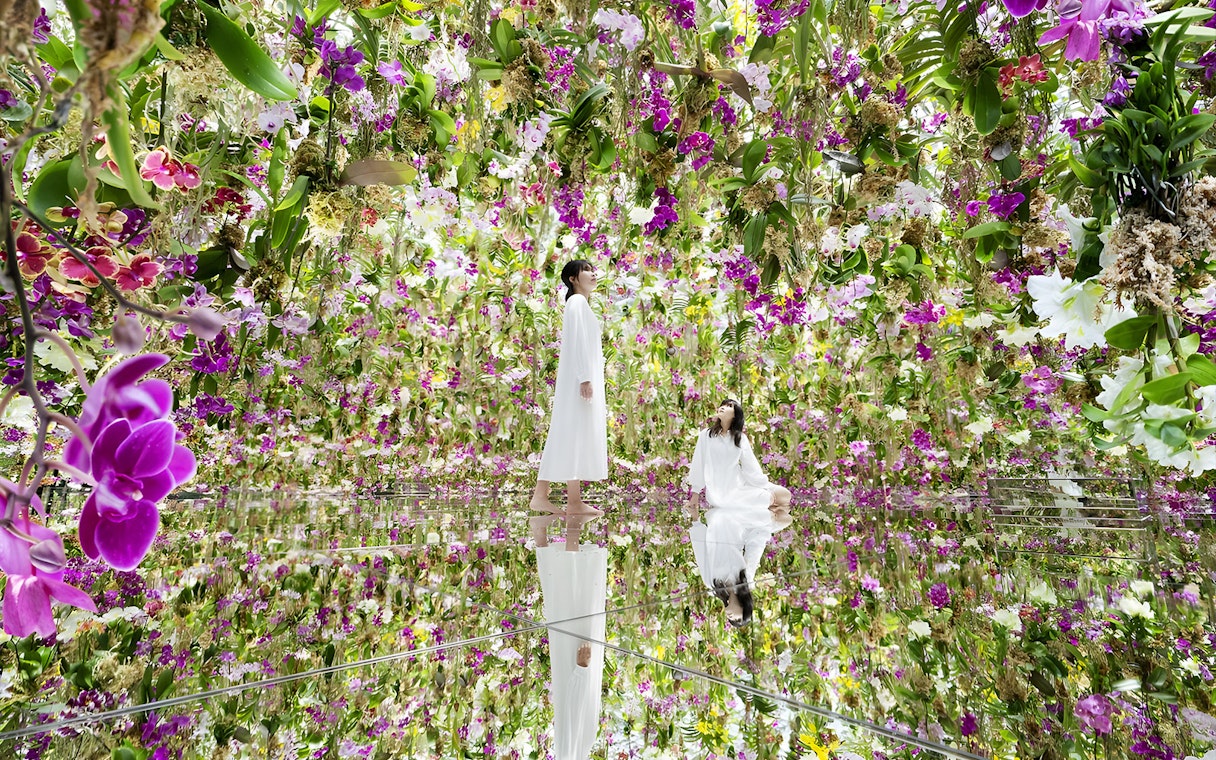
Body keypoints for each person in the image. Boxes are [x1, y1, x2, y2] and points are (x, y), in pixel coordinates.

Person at [684, 399, 792, 626]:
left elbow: (751, 469)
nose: (723, 407)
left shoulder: (713, 585)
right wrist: (694, 494)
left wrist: (762, 485)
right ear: (744, 608)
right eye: (737, 618)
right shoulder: (706, 436)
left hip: (738, 490)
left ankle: (767, 499)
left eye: (729, 406)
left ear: (736, 415)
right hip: (719, 495)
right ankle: (768, 501)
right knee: (783, 500)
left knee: (785, 497)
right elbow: (698, 465)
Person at [530, 260, 607, 516]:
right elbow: (577, 341)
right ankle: (547, 496)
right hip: (578, 380)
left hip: (580, 378)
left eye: (593, 269)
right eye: (586, 270)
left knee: (572, 433)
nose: (593, 274)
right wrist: (584, 377)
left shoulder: (581, 304)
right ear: (573, 279)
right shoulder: (576, 303)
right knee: (569, 432)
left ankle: (569, 499)